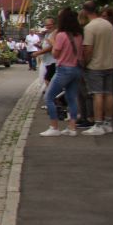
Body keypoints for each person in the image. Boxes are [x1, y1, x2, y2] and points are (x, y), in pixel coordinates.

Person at [39, 8, 84, 137]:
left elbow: (55, 53)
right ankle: (72, 127)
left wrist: (52, 42)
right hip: (76, 69)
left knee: (49, 97)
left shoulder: (61, 35)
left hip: (64, 69)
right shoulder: (79, 35)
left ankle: (54, 126)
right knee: (71, 98)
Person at [78, 1, 113, 136]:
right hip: (109, 63)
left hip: (95, 65)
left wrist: (85, 63)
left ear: (85, 11)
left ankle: (98, 124)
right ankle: (108, 123)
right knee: (109, 93)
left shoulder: (90, 27)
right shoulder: (108, 24)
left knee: (97, 94)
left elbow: (88, 49)